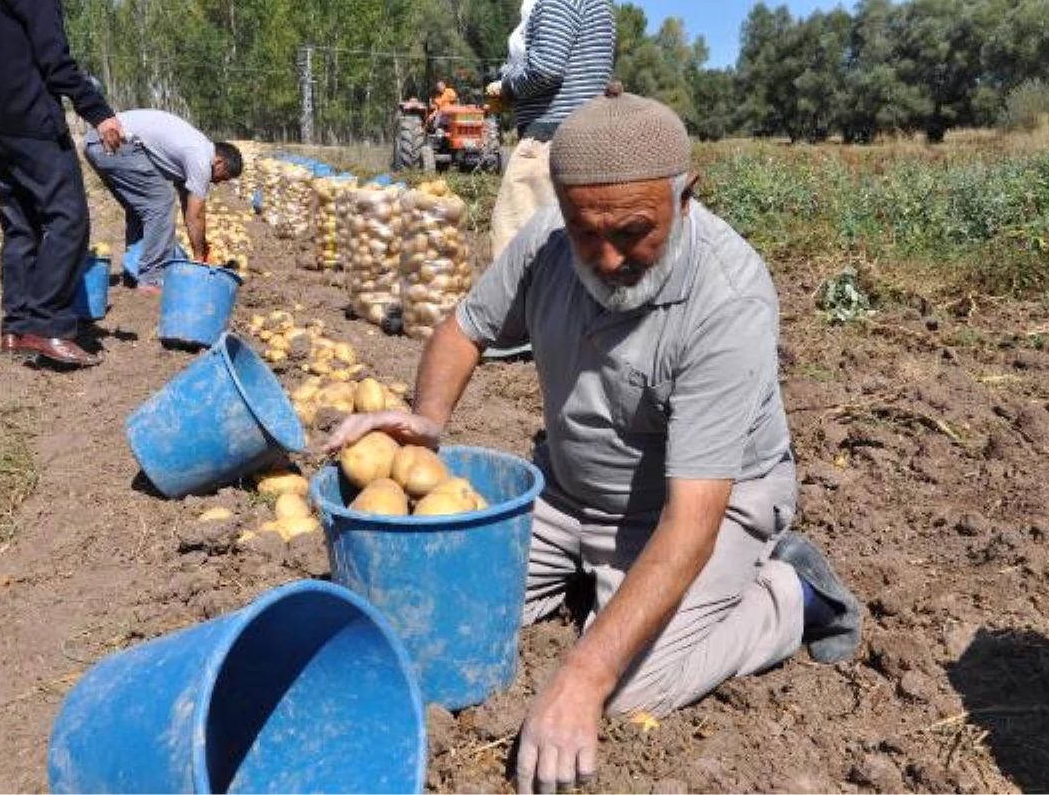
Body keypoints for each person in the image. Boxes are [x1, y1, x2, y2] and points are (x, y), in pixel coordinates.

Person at [328, 89, 862, 794]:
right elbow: (465, 329)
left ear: (687, 195)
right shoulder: (548, 241)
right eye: (588, 233)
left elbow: (692, 521)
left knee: (630, 689)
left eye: (634, 231)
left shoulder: (727, 299)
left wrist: (582, 676)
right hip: (569, 490)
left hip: (696, 508)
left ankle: (793, 595)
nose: (609, 258)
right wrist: (428, 420)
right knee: (444, 615)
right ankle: (596, 575)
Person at [0, 0, 123, 367]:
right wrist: (98, 111)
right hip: (27, 112)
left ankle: (16, 328)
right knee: (69, 217)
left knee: (21, 225)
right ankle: (48, 325)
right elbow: (53, 57)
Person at [486, 0, 615, 260]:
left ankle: (524, 303)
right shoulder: (598, 5)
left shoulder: (556, 1)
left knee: (514, 251)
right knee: (570, 253)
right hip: (583, 137)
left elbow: (545, 70)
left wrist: (507, 86)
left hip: (549, 141)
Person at [83, 109, 243, 292]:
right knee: (161, 201)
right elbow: (195, 215)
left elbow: (188, 206)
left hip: (98, 141)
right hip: (112, 140)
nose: (219, 182)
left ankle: (134, 271)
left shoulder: (193, 151)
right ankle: (152, 278)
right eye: (224, 177)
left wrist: (202, 247)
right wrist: (200, 258)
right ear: (219, 162)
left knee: (142, 208)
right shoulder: (201, 158)